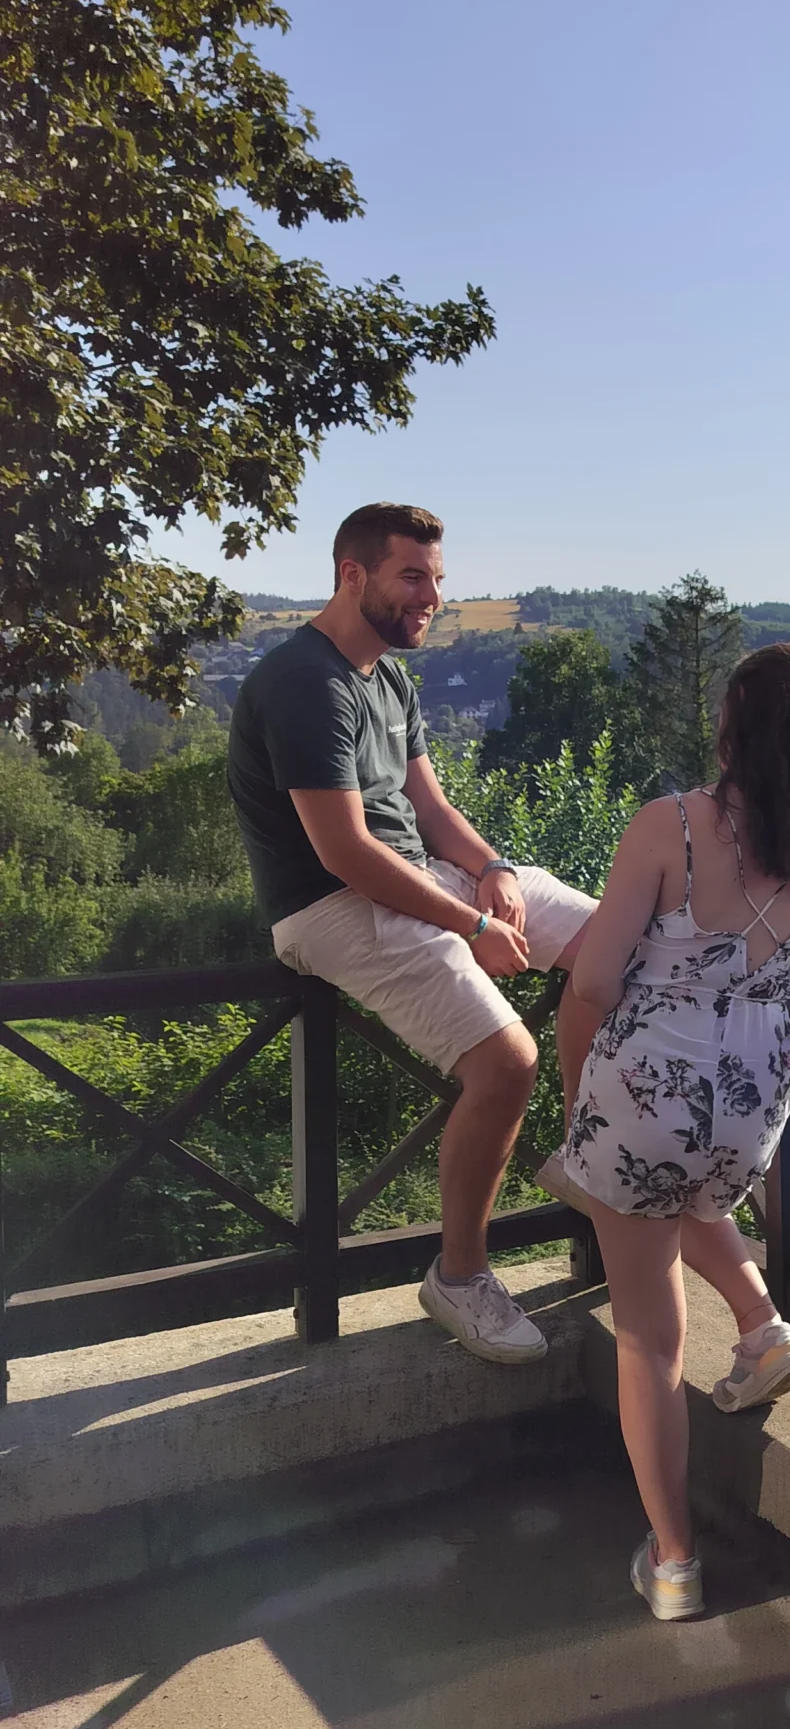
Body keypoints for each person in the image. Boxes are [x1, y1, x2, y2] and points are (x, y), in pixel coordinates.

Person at [555, 642, 790, 1620]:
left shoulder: (672, 826)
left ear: (732, 727)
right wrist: (764, 981)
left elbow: (595, 981)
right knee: (688, 1204)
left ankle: (673, 1560)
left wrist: (586, 1094)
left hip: (649, 1089)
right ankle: (764, 1327)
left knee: (648, 1336)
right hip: (751, 1097)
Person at [228, 503, 600, 1365]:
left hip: (420, 882)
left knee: (610, 945)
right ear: (351, 574)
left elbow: (430, 812)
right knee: (506, 1060)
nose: (431, 596)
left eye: (437, 579)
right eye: (413, 577)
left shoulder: (388, 676)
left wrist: (494, 869)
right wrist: (471, 922)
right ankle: (459, 1276)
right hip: (330, 906)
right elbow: (347, 852)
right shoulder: (302, 683)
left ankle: (588, 1159)